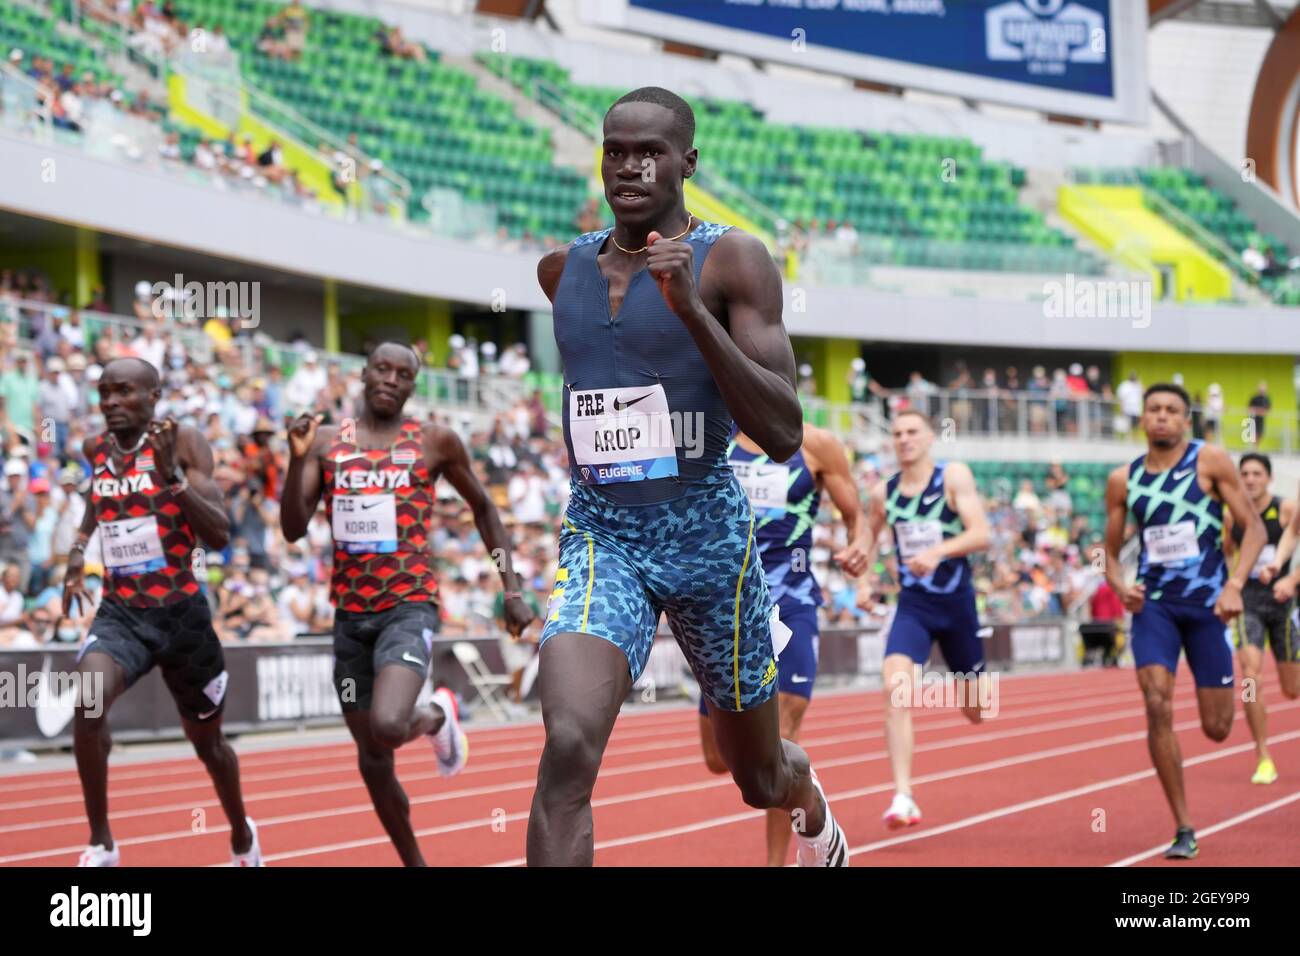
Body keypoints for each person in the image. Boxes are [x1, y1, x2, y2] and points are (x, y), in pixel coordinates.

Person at [528, 87, 848, 867]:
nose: (629, 166)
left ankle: (813, 809)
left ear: (688, 163)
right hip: (603, 533)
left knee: (758, 776)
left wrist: (693, 315)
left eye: (650, 152)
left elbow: (781, 432)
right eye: (615, 150)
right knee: (568, 743)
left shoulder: (734, 259)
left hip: (708, 539)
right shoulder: (557, 271)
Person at [280, 342, 533, 866]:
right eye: (382, 368)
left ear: (413, 386)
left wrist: (511, 588)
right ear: (364, 373)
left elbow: (484, 508)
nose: (391, 379)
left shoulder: (435, 441)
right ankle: (414, 861)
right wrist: (295, 458)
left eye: (403, 373)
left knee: (390, 725)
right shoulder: (327, 442)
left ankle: (438, 716)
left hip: (408, 604)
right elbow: (291, 528)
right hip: (350, 615)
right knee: (372, 756)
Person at [62, 358, 262, 866]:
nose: (109, 402)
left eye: (122, 392)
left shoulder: (185, 442)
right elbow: (99, 498)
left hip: (183, 619)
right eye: (103, 392)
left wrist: (173, 476)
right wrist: (78, 549)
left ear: (154, 396)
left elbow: (218, 534)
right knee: (87, 703)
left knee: (209, 746)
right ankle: (102, 841)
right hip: (121, 613)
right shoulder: (95, 450)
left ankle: (242, 834)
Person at [1103, 383, 1265, 859]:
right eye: (1153, 409)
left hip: (1208, 606)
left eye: (1172, 410)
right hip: (1154, 604)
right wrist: (1117, 584)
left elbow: (1252, 527)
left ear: (1185, 420)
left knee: (1217, 728)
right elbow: (1105, 553)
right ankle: (1183, 825)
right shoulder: (1123, 480)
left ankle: (1221, 702)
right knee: (1156, 702)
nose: (1161, 417)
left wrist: (1235, 583)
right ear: (1142, 418)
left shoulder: (1210, 461)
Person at [696, 424, 870, 865]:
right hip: (725, 608)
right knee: (719, 759)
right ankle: (806, 786)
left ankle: (780, 860)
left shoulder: (818, 445)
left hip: (790, 601)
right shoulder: (711, 431)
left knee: (779, 737)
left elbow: (857, 519)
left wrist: (860, 547)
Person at [855, 410, 991, 828]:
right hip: (914, 608)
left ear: (930, 437)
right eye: (897, 433)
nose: (904, 439)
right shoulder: (884, 493)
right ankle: (903, 795)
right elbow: (868, 539)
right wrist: (862, 581)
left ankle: (962, 678)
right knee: (894, 687)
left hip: (958, 608)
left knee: (977, 710)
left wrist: (937, 552)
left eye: (912, 432)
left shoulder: (953, 478)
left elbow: (981, 534)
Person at [1224, 452, 1297, 785]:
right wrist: (1231, 587)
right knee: (1250, 677)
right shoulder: (1233, 516)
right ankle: (1263, 755)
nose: (1250, 479)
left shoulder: (1284, 509)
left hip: (1283, 603)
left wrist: (1290, 579)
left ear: (1268, 478)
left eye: (1256, 473)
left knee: (1292, 689)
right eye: (1245, 474)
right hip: (1248, 603)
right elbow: (1226, 552)